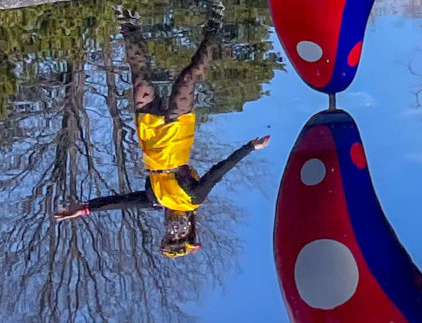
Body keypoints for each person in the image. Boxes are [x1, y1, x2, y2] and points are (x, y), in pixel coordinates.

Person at [54, 17, 268, 255]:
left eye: (170, 236)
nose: (175, 231)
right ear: (190, 230)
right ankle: (214, 29)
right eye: (180, 235)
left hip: (151, 137)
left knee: (140, 79)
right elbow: (219, 171)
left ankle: (128, 24)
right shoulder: (193, 199)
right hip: (177, 134)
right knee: (187, 79)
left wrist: (84, 209)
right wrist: (250, 147)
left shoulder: (156, 201)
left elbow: (120, 202)